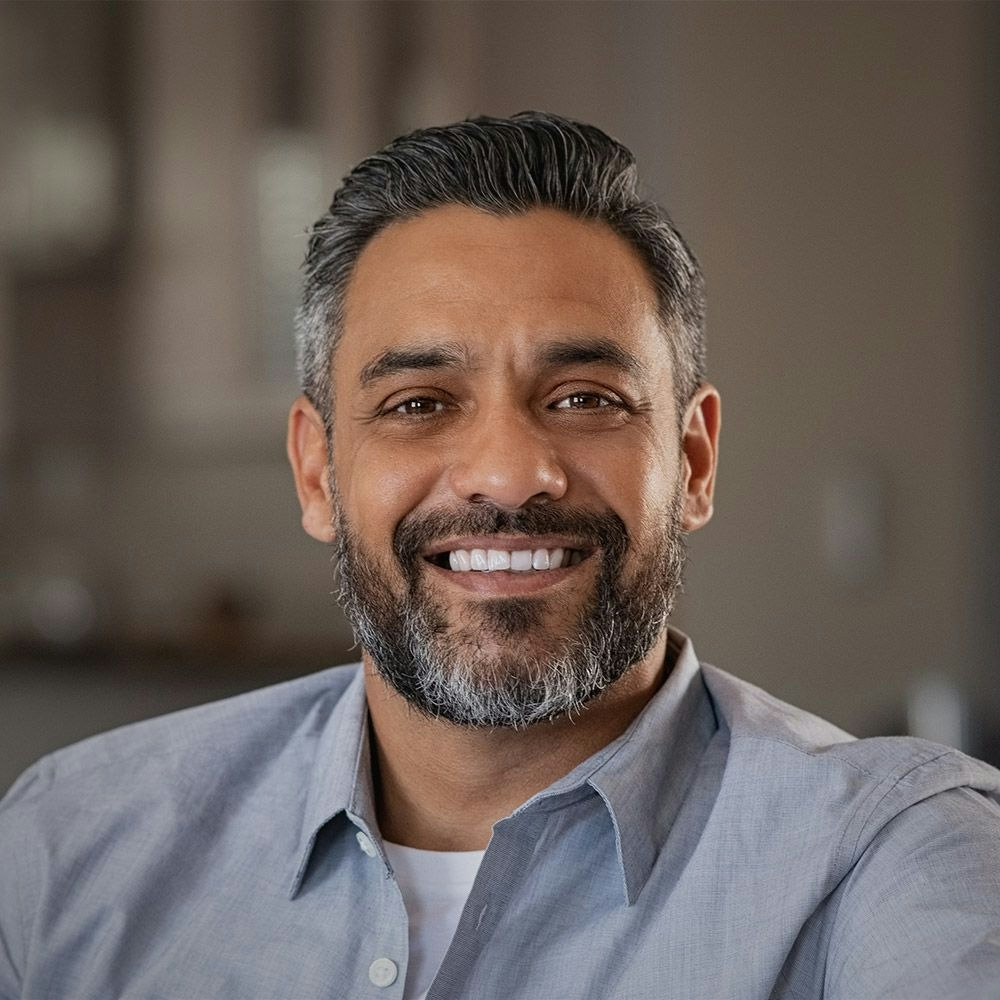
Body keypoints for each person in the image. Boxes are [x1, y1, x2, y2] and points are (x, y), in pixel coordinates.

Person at [2, 112, 999, 1000]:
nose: (510, 474)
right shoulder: (68, 843)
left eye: (585, 399)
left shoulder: (890, 859)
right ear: (316, 471)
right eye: (418, 404)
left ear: (693, 461)